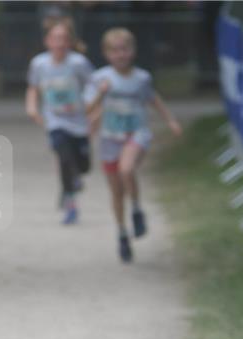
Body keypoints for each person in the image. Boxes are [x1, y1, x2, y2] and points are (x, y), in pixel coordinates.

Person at [84, 27, 181, 263]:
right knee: (116, 192)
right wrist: (101, 94)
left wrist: (170, 120)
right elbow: (87, 108)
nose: (121, 55)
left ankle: (136, 209)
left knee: (126, 169)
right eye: (115, 50)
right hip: (110, 139)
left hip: (136, 134)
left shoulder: (141, 78)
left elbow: (153, 99)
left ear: (133, 51)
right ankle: (122, 233)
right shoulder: (99, 78)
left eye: (125, 49)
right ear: (106, 53)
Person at [26, 15, 94, 225]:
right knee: (64, 158)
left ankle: (74, 180)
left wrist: (91, 106)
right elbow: (33, 88)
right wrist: (31, 107)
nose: (60, 43)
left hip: (79, 122)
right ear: (47, 41)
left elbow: (92, 85)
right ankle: (71, 203)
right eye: (55, 38)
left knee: (83, 166)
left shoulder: (78, 63)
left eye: (64, 38)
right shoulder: (39, 63)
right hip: (55, 121)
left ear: (70, 42)